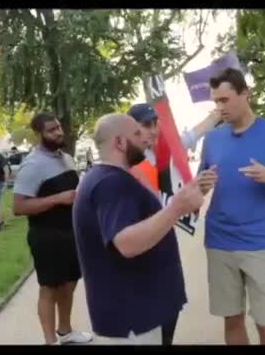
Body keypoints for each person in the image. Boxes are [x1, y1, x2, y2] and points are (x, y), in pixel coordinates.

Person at [72, 114, 203, 345]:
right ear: (120, 142)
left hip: (136, 309)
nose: (146, 137)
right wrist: (176, 208)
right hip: (133, 316)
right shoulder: (111, 184)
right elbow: (127, 243)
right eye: (137, 133)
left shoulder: (110, 178)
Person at [197, 68, 265, 345]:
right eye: (216, 101)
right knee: (232, 320)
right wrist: (201, 185)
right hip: (220, 242)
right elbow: (199, 186)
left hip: (261, 244)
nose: (220, 107)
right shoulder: (213, 139)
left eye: (225, 100)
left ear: (246, 94)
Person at [13, 113, 92, 345]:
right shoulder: (32, 165)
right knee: (49, 288)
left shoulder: (66, 158)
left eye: (58, 127)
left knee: (69, 283)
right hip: (46, 236)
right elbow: (18, 207)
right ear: (39, 135)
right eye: (51, 130)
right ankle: (50, 341)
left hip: (71, 233)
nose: (58, 132)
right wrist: (57, 199)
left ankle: (65, 332)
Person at [126, 103, 221, 199]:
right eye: (146, 125)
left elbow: (195, 134)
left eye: (155, 124)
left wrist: (218, 113)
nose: (154, 131)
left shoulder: (170, 149)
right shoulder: (125, 164)